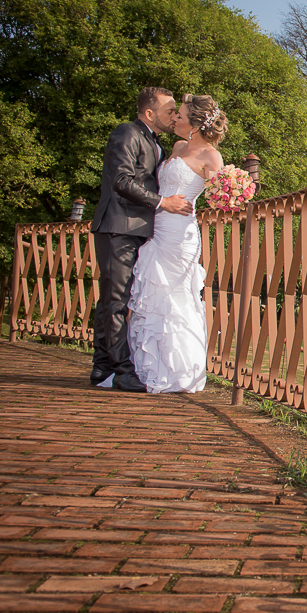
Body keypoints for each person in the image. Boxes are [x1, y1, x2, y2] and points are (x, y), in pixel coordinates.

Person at [90, 87, 193, 392]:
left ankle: (102, 368)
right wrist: (163, 202)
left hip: (140, 230)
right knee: (116, 301)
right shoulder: (127, 133)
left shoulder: (156, 142)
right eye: (168, 111)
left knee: (112, 300)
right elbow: (121, 180)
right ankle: (123, 371)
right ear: (149, 113)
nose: (173, 116)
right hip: (118, 226)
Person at [127, 94, 226, 394]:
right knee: (153, 295)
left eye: (179, 115)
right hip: (157, 228)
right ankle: (149, 367)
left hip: (181, 234)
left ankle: (180, 371)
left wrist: (234, 192)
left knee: (178, 297)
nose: (174, 119)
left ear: (194, 125)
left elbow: (219, 196)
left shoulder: (211, 156)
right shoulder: (178, 147)